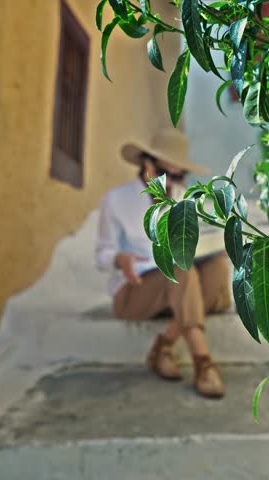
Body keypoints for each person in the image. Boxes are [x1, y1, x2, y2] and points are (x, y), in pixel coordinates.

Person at [96, 129, 231, 398]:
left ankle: (164, 344)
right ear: (147, 164)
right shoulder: (117, 199)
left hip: (181, 291)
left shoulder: (185, 198)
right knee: (181, 271)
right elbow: (102, 253)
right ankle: (203, 363)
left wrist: (217, 247)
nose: (173, 181)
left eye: (179, 175)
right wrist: (120, 259)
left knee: (215, 268)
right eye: (167, 173)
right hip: (136, 291)